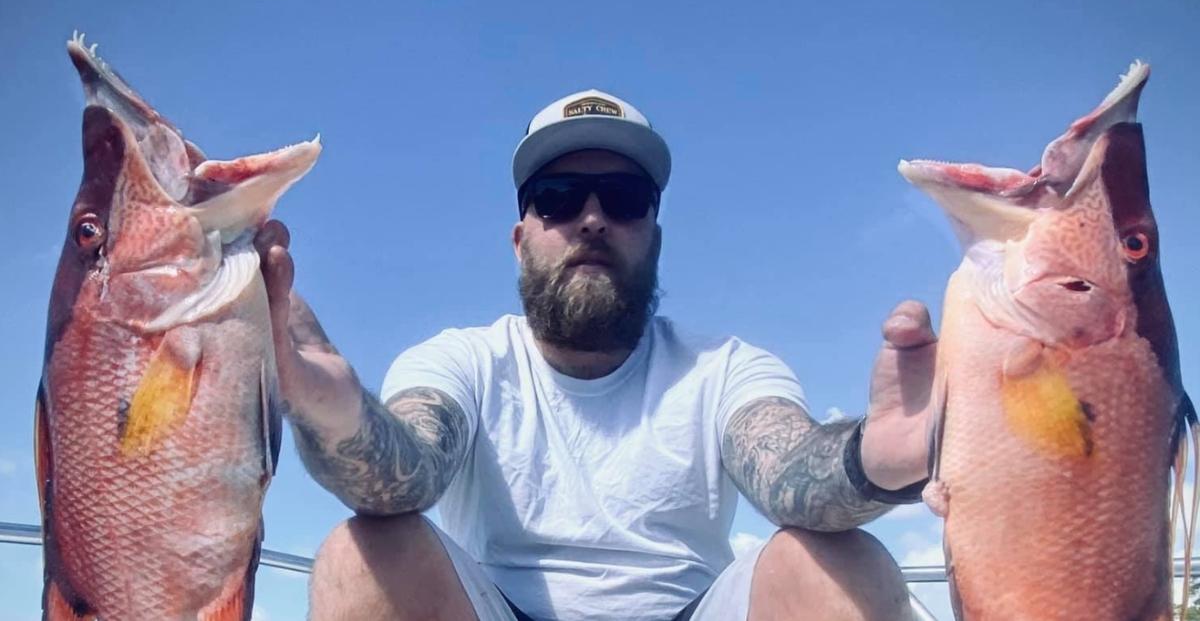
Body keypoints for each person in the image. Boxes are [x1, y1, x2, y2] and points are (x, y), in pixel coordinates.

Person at [254, 89, 937, 621]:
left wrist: (870, 460)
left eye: (623, 197)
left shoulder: (723, 367)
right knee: (362, 554)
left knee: (837, 562)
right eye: (556, 199)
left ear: (654, 234)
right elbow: (409, 467)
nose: (591, 217)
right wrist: (329, 408)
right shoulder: (464, 360)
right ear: (521, 239)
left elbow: (791, 467)